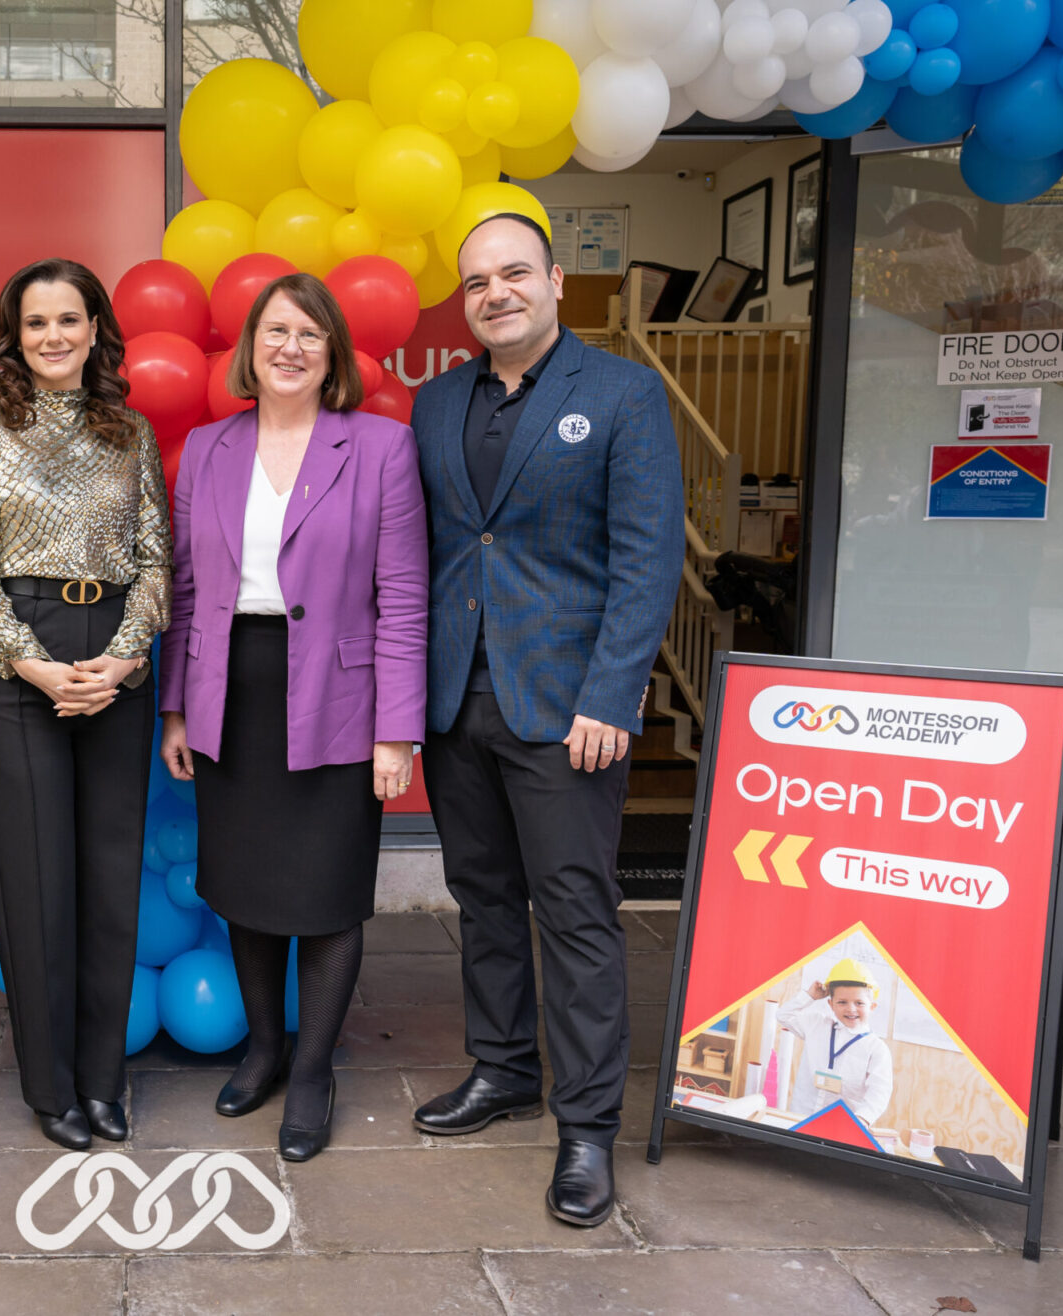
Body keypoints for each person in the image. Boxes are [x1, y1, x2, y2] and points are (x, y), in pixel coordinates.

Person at [407, 212, 681, 1228]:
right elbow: (432, 550)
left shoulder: (620, 392)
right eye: (476, 281)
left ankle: (585, 1125)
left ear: (555, 281)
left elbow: (645, 556)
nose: (494, 293)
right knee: (480, 895)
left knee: (572, 909)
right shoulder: (435, 402)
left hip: (567, 707)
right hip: (455, 698)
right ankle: (503, 1068)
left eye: (512, 273)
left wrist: (613, 691)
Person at [159, 274, 426, 1161]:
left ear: (334, 354)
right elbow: (189, 597)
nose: (291, 347)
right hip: (229, 692)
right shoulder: (206, 449)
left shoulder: (382, 448)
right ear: (250, 347)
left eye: (311, 334)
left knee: (328, 891)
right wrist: (175, 711)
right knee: (242, 886)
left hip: (341, 700)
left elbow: (404, 598)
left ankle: (313, 1069)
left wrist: (398, 730)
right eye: (276, 330)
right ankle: (265, 1047)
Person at [0, 257, 172, 1150]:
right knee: (36, 885)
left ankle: (102, 1077)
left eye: (68, 320)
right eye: (35, 322)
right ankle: (51, 1086)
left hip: (114, 656)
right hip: (18, 668)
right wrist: (37, 667)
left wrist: (122, 659)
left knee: (111, 882)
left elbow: (158, 557)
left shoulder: (131, 434)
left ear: (94, 331)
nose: (52, 337)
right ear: (14, 334)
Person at [776, 959, 895, 1125]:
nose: (851, 1009)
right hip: (800, 1118)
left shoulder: (876, 1049)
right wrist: (809, 997)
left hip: (841, 1129)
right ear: (831, 1004)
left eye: (859, 1003)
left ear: (872, 1006)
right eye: (842, 1002)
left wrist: (861, 1120)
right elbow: (783, 1015)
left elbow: (879, 1093)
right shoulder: (817, 1025)